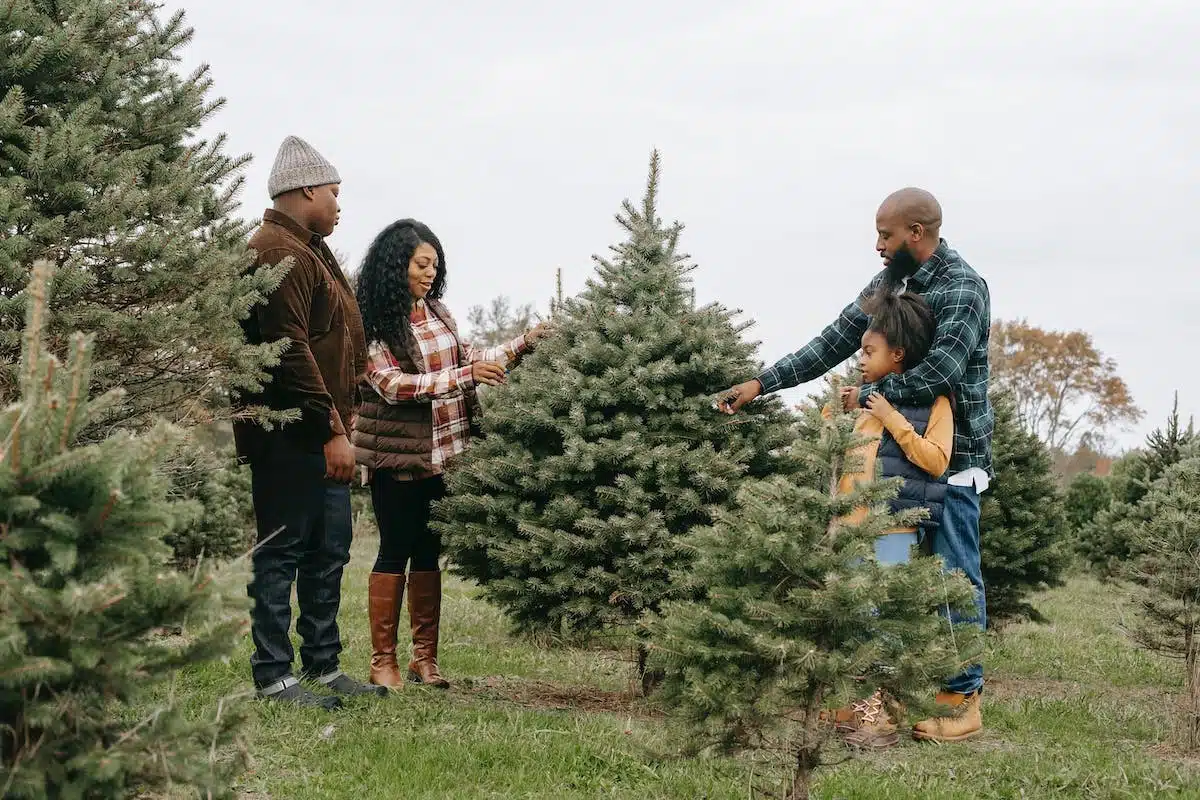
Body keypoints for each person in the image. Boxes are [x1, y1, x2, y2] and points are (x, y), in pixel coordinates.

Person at [719, 187, 992, 743]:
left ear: (917, 233)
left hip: (950, 460)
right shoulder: (890, 281)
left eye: (886, 235)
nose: (877, 245)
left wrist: (866, 396)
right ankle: (882, 703)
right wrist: (762, 383)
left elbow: (937, 373)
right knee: (884, 583)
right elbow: (837, 339)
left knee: (952, 581)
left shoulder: (964, 288)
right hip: (888, 464)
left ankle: (961, 702)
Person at [352, 219, 550, 690]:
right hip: (399, 460)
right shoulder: (372, 325)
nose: (428, 273)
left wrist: (523, 342)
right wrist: (464, 377)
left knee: (427, 552)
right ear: (395, 264)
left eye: (434, 266)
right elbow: (393, 386)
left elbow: (468, 355)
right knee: (395, 549)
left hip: (446, 456)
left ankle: (425, 659)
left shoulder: (437, 312)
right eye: (422, 264)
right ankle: (383, 661)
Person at [233, 136, 384, 708]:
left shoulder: (311, 248)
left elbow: (331, 337)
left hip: (323, 430)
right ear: (303, 191)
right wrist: (332, 431)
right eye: (333, 192)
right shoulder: (276, 251)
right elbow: (287, 350)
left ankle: (322, 665)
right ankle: (274, 675)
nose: (340, 204)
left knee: (328, 550)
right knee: (282, 551)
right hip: (290, 436)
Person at [828, 289, 954, 750]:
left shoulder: (934, 404)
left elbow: (936, 461)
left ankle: (877, 713)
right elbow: (834, 458)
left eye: (869, 351)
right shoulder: (855, 402)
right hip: (848, 528)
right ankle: (854, 705)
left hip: (891, 529)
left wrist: (892, 417)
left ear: (897, 355)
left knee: (877, 620)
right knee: (851, 615)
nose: (859, 359)